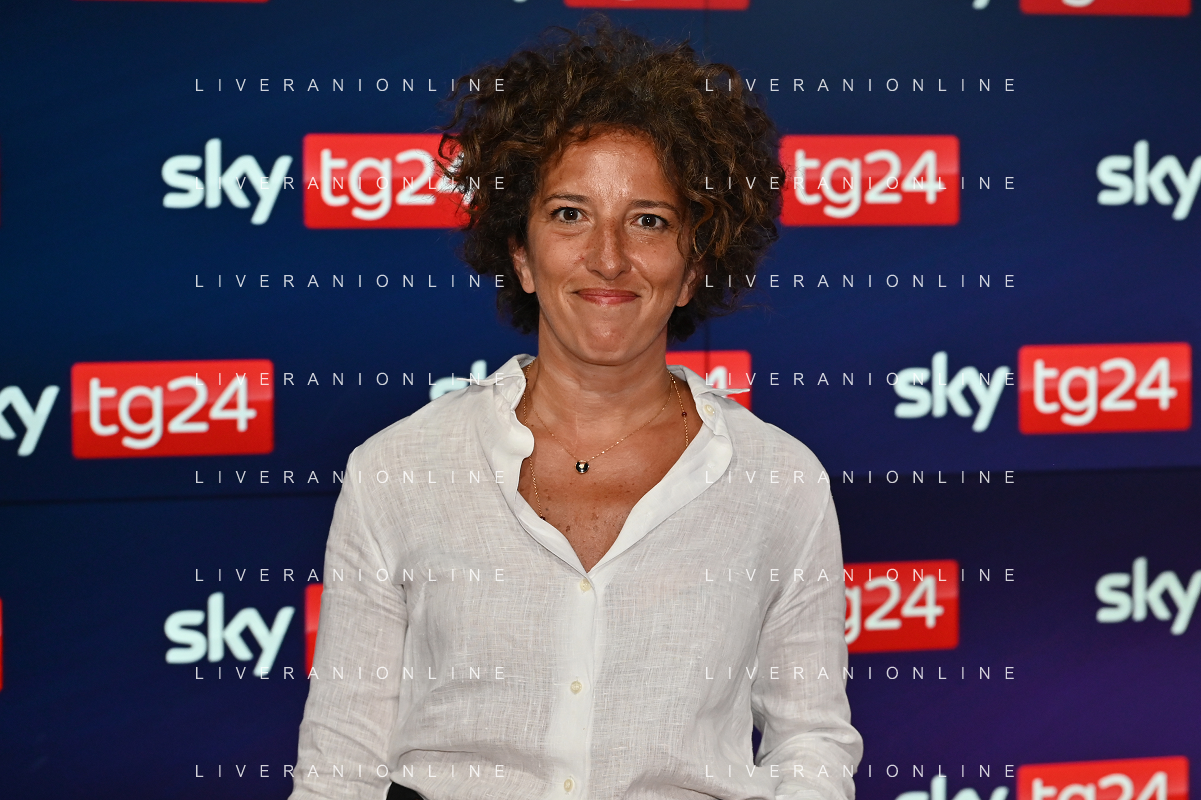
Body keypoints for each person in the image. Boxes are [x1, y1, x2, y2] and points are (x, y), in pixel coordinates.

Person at [290, 15, 862, 800]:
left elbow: (811, 745)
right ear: (520, 254)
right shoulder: (397, 470)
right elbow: (340, 769)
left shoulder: (778, 480)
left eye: (648, 221)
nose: (608, 257)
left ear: (694, 266)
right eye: (569, 214)